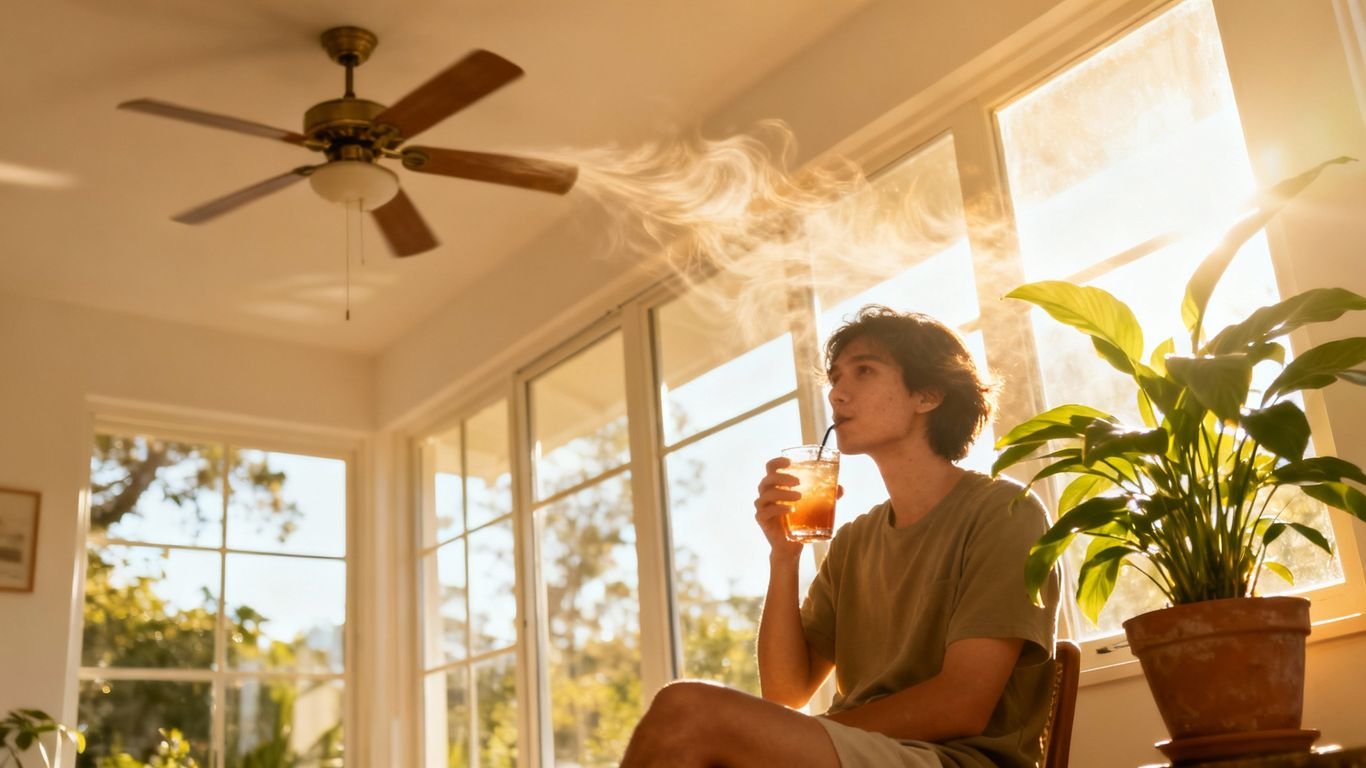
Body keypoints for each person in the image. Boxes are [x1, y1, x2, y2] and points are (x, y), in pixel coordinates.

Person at [621, 305, 1060, 768]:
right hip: (863, 751)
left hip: (955, 760)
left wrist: (808, 732)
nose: (836, 393)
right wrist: (784, 557)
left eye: (863, 371)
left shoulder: (1003, 512)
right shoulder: (853, 542)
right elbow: (786, 691)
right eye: (834, 378)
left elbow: (962, 704)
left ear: (928, 395)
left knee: (686, 710)